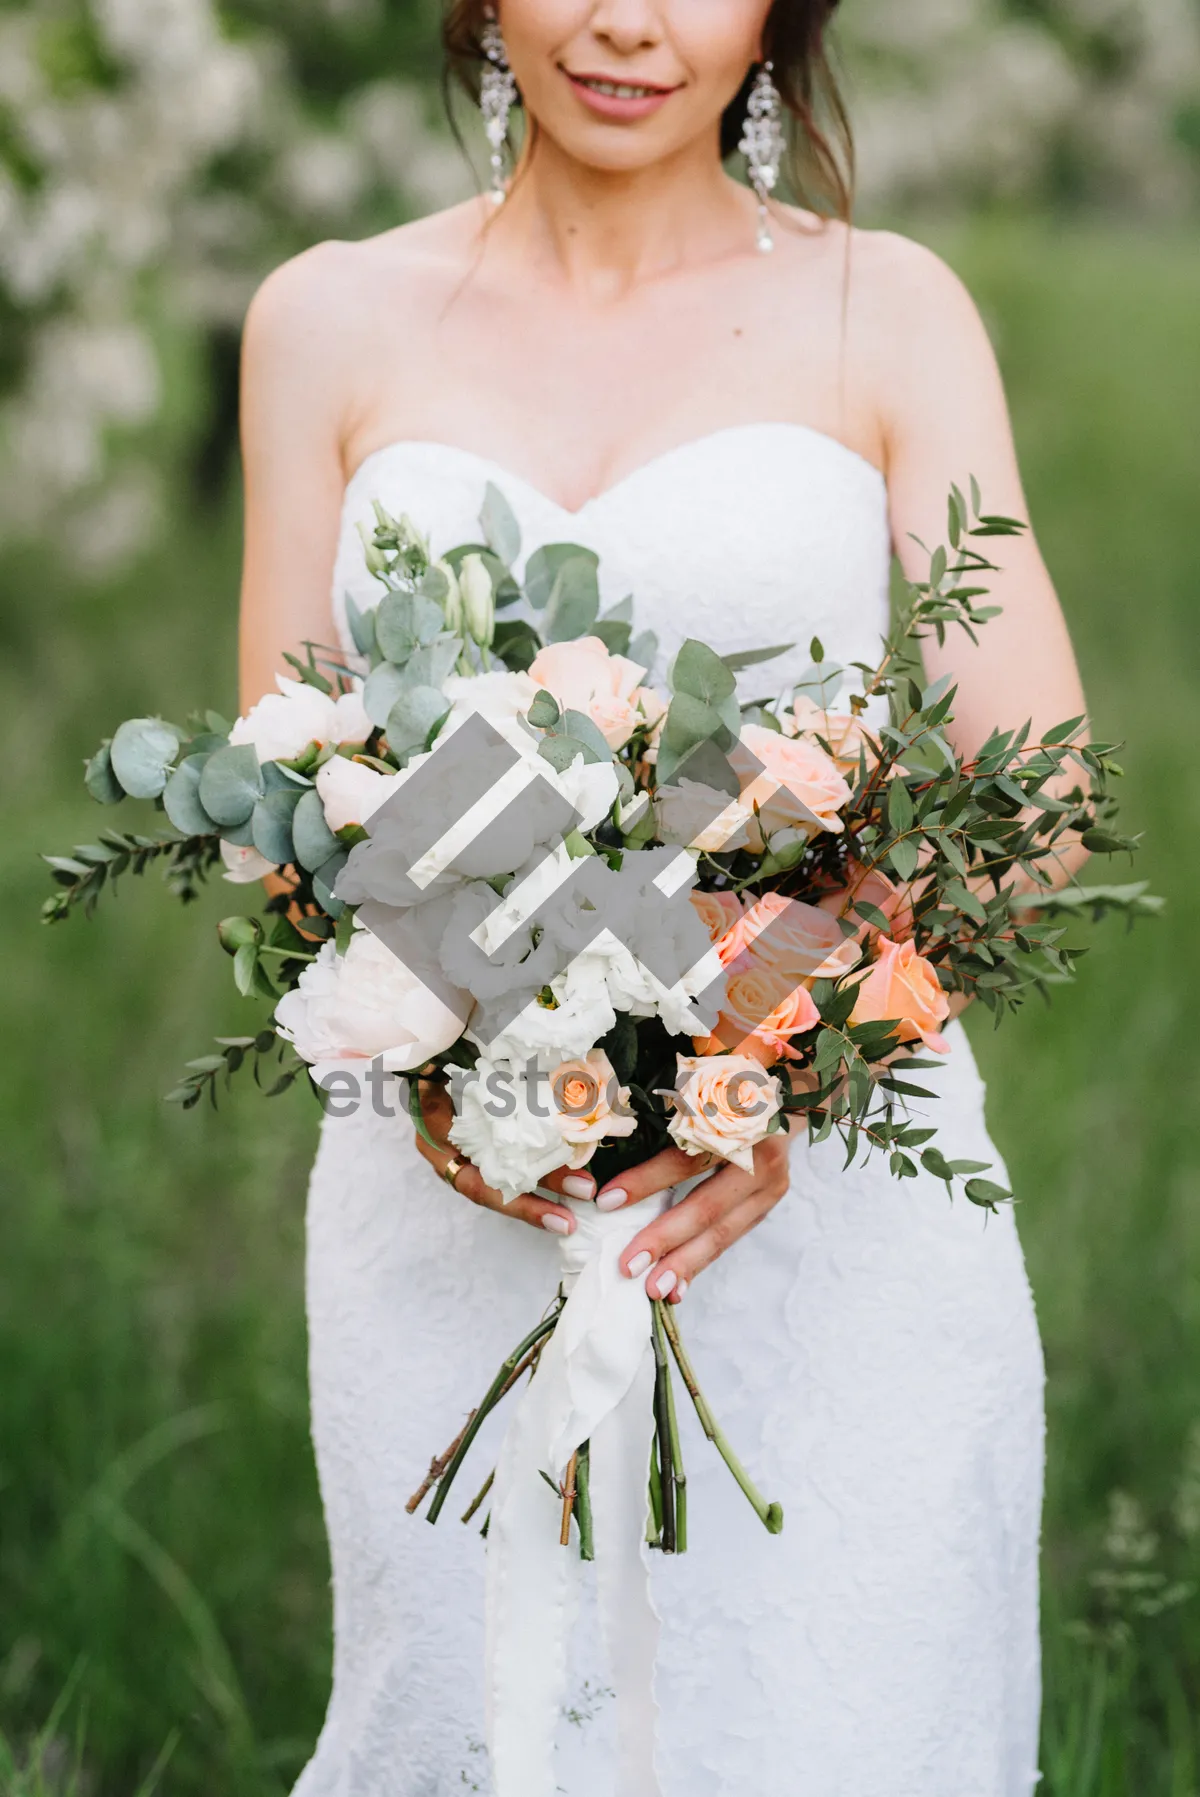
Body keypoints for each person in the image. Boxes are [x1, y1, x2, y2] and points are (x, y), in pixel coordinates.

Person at [237, 3, 1088, 1792]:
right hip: (448, 1184)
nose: (629, 21)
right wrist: (504, 1078)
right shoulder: (323, 317)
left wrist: (746, 1067)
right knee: (479, 1715)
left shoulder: (891, 310)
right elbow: (279, 811)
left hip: (839, 1216)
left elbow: (1043, 802)